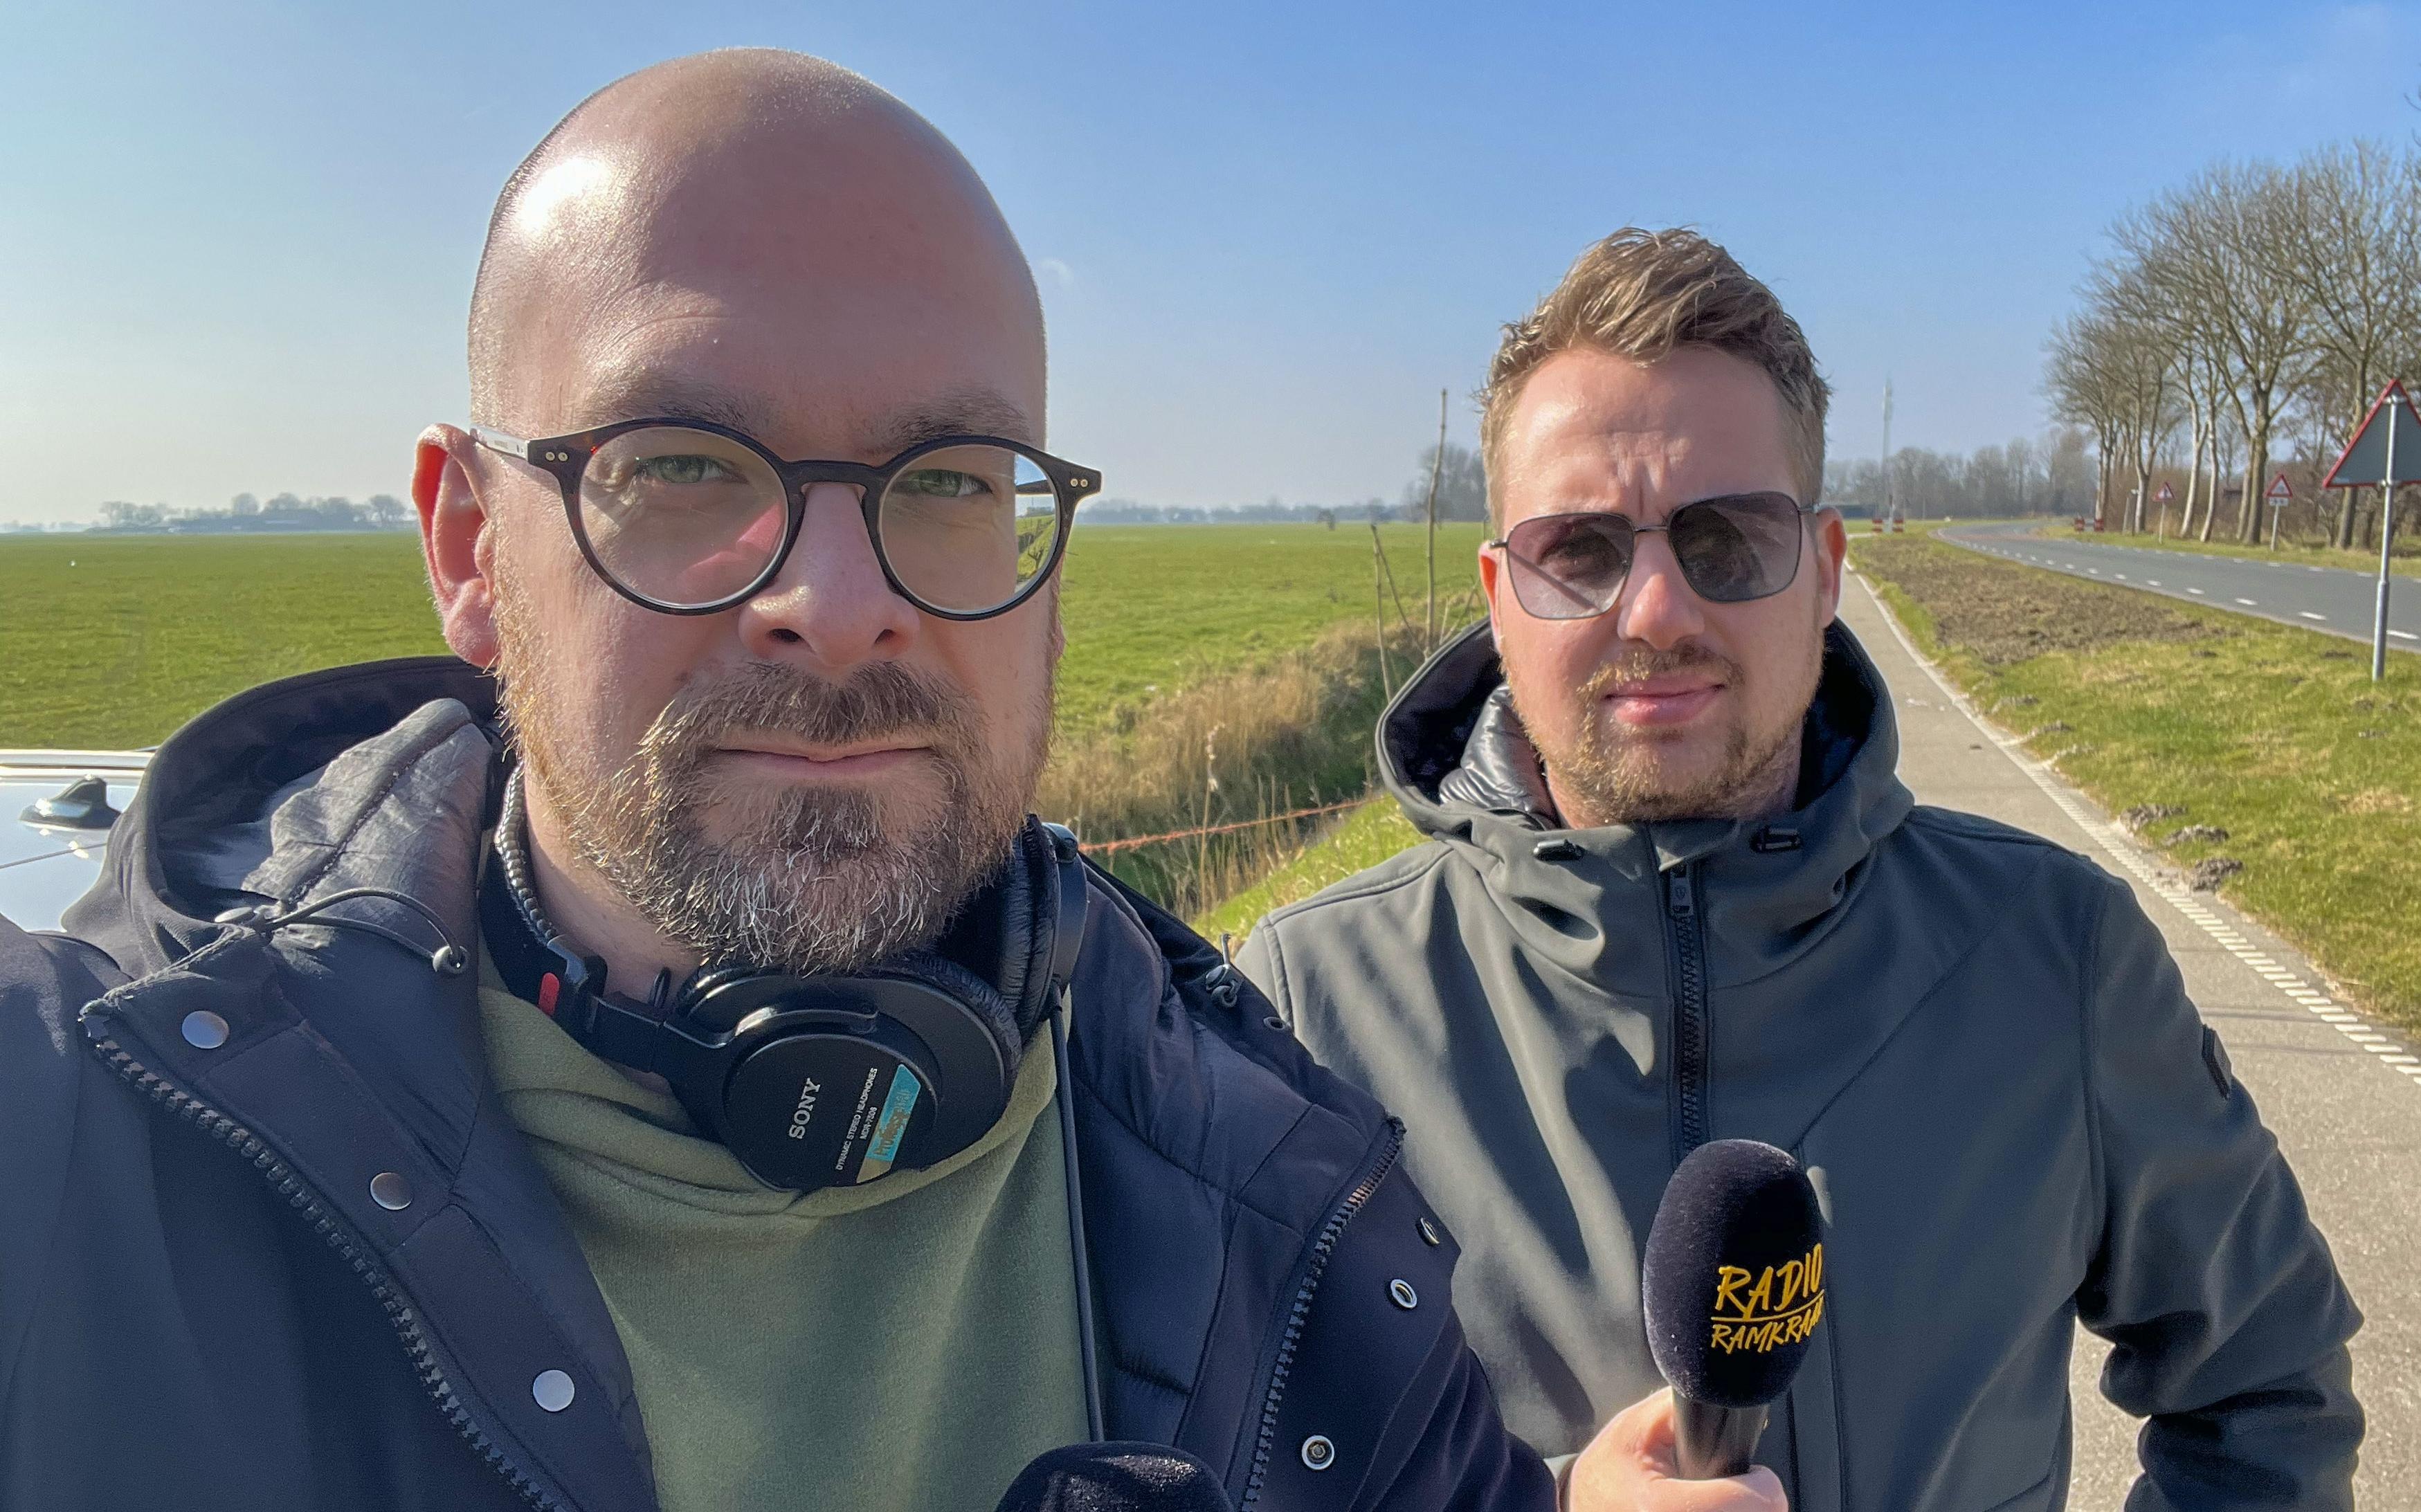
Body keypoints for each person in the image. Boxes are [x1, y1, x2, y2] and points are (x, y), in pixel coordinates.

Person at [0, 54, 1789, 1512]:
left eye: (946, 476)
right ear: (469, 544)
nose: (838, 605)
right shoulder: (84, 1142)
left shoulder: (1282, 1186)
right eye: (683, 463)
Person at [1237, 228, 2364, 1511]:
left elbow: (2266, 1387)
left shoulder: (2057, 956)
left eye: (1723, 541)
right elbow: (1242, 1454)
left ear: (1824, 571)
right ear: (1500, 595)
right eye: (1581, 552)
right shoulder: (1304, 1007)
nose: (1654, 611)